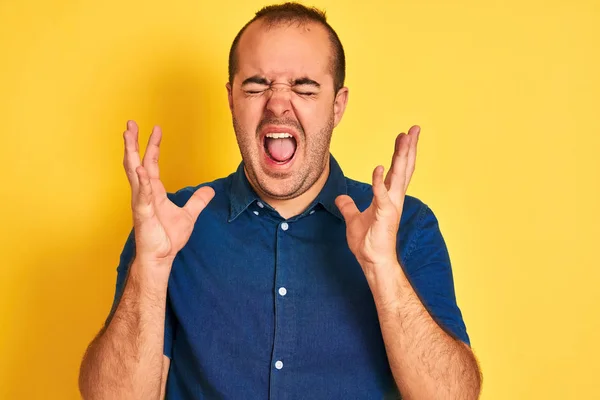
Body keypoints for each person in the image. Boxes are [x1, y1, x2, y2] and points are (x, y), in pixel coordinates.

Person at [78, 2, 482, 399]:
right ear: (232, 98)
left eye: (304, 87)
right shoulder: (169, 226)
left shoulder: (407, 226)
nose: (277, 102)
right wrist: (150, 268)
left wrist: (383, 270)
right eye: (256, 85)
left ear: (337, 106)